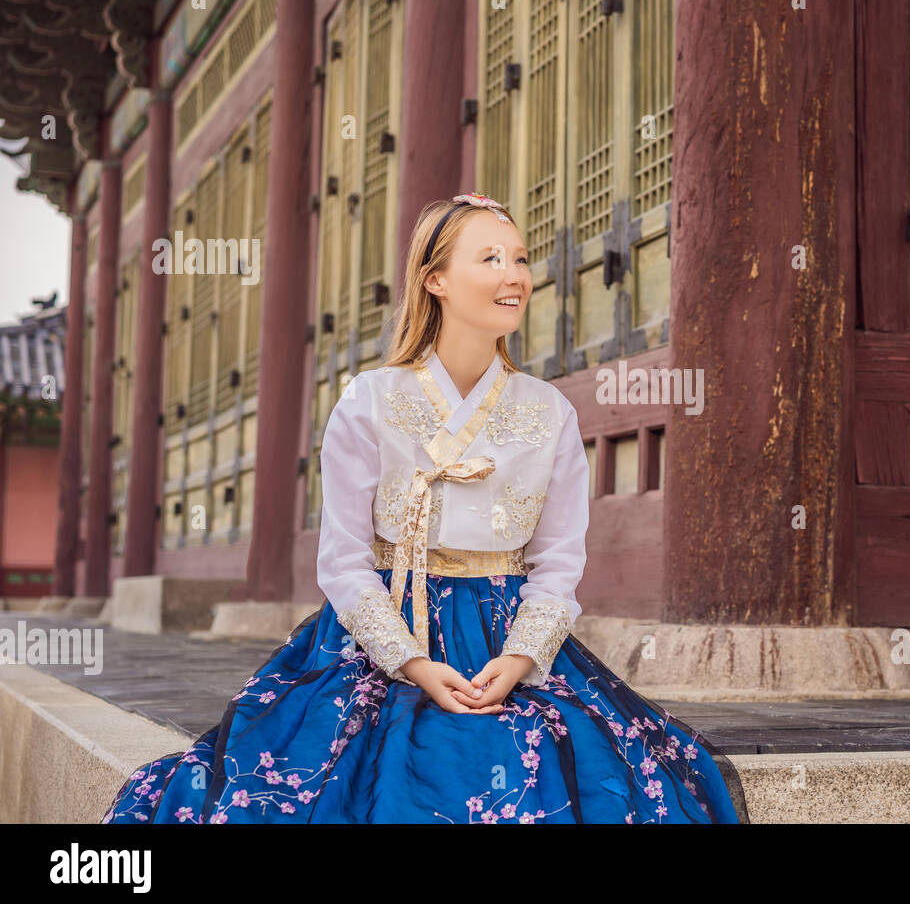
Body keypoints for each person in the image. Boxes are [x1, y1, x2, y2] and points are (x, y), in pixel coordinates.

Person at [101, 192, 747, 824]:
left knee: (600, 771)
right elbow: (345, 564)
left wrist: (521, 658)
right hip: (382, 631)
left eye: (520, 260)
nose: (514, 276)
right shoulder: (369, 404)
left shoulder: (549, 415)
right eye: (490, 259)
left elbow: (557, 563)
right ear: (434, 279)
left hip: (504, 633)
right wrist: (411, 661)